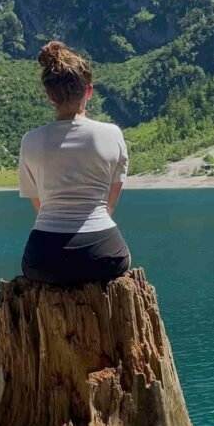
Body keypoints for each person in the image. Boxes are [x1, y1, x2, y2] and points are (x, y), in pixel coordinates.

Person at [19, 40, 131, 285]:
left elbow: (40, 204)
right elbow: (109, 204)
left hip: (43, 259)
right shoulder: (112, 134)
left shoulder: (31, 141)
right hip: (103, 254)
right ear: (88, 91)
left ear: (50, 96)